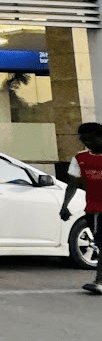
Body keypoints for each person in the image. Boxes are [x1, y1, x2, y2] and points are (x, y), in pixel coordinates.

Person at [57, 121, 102, 295]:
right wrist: (65, 206)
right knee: (99, 243)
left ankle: (99, 282)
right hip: (94, 209)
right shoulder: (80, 159)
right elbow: (73, 184)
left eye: (91, 139)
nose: (87, 143)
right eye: (84, 140)